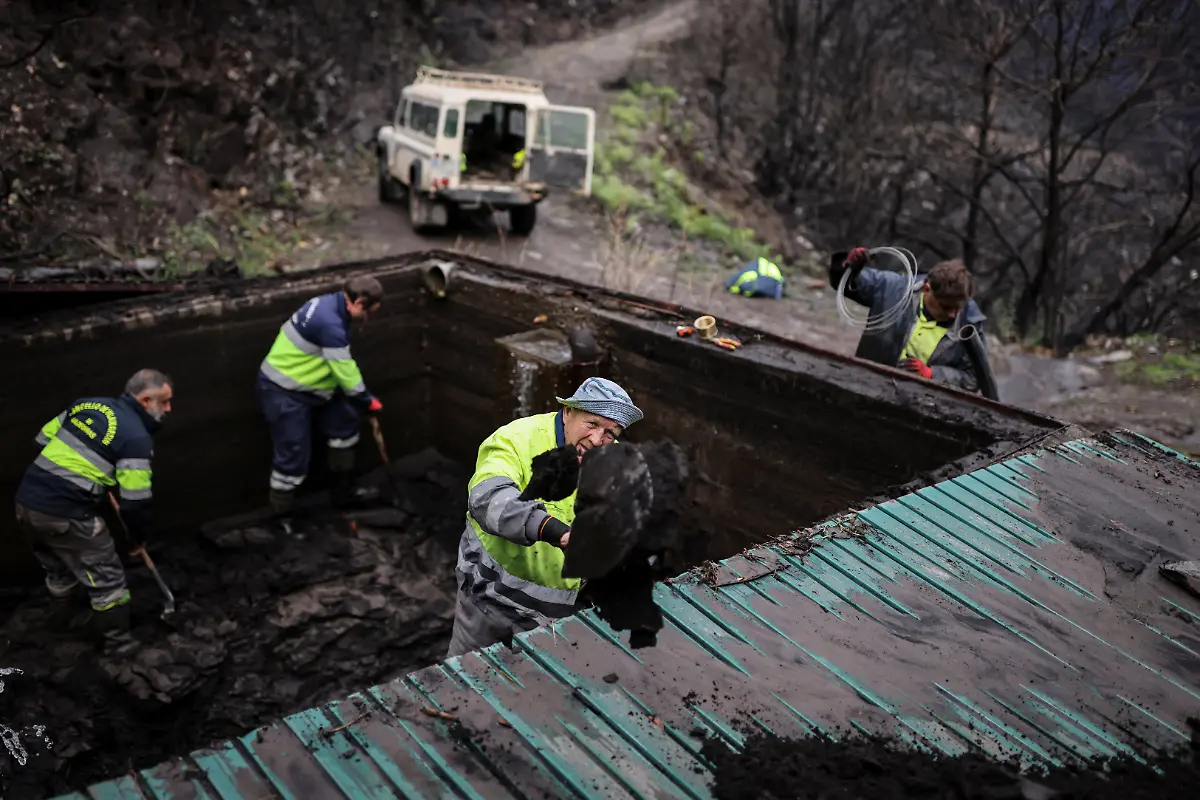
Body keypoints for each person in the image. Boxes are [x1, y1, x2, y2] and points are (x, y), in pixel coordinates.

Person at [447, 377, 644, 658]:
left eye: (611, 433)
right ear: (567, 413)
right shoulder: (515, 440)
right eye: (592, 424)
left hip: (552, 617)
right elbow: (489, 499)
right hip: (486, 601)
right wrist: (558, 533)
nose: (598, 441)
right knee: (466, 681)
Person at [14, 369, 174, 654]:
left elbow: (41, 441)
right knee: (108, 582)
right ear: (147, 400)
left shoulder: (86, 404)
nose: (169, 408)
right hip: (66, 514)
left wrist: (92, 469)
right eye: (165, 402)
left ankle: (64, 624)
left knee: (59, 570)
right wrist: (137, 539)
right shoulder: (136, 439)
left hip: (27, 504)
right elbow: (135, 503)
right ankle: (120, 644)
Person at [257, 276, 385, 534]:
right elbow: (346, 373)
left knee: (345, 425)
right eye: (369, 312)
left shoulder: (331, 305)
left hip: (316, 386)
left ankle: (342, 494)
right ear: (359, 303)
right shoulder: (330, 325)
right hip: (284, 391)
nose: (368, 318)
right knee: (292, 455)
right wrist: (366, 400)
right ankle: (281, 517)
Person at [829, 248, 996, 395]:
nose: (953, 315)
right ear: (927, 289)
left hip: (923, 406)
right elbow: (845, 284)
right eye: (946, 307)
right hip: (867, 387)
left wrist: (932, 375)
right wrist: (850, 266)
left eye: (957, 308)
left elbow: (973, 379)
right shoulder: (892, 288)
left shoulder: (970, 324)